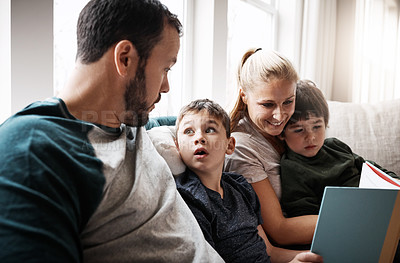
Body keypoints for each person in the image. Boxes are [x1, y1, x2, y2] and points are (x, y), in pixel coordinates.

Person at [0, 1, 224, 262]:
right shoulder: (34, 151)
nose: (166, 87)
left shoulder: (131, 122)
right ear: (125, 58)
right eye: (165, 69)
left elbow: (197, 122)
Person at [175, 99, 323, 263]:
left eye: (209, 130)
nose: (199, 138)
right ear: (177, 146)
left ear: (230, 145)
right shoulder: (188, 198)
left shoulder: (239, 186)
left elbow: (269, 252)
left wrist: (311, 258)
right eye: (189, 131)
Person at [224, 48, 318, 247]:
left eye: (288, 102)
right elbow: (280, 231)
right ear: (244, 96)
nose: (280, 115)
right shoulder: (240, 148)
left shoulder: (291, 129)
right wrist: (352, 217)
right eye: (267, 105)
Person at [279, 79, 399, 218]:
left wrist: (395, 182)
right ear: (282, 132)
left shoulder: (335, 146)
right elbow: (304, 214)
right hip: (352, 220)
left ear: (326, 124)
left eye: (317, 127)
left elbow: (370, 168)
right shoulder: (292, 168)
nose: (311, 137)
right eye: (299, 130)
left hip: (380, 206)